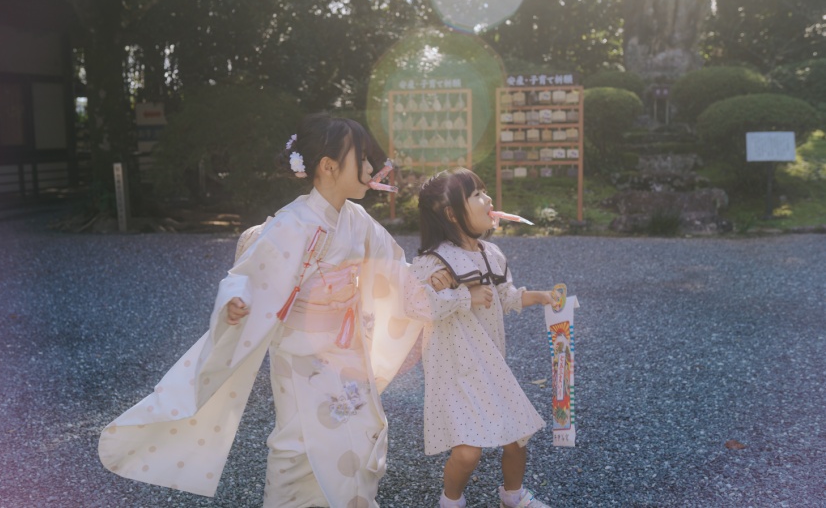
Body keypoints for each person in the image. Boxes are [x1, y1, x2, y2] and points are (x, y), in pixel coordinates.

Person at [99, 113, 445, 507]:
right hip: (301, 356)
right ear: (328, 167)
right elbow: (248, 273)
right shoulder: (292, 223)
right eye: (362, 158)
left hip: (348, 350)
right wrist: (237, 299)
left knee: (359, 431)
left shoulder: (357, 221)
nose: (370, 168)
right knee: (298, 441)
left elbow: (393, 268)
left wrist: (422, 282)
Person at [405, 168, 557, 508]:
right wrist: (463, 297)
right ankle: (451, 501)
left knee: (517, 438)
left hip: (491, 365)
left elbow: (506, 297)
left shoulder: (492, 253)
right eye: (477, 195)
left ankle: (512, 495)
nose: (488, 200)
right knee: (467, 452)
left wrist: (540, 296)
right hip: (455, 371)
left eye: (485, 192)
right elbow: (414, 305)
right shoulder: (434, 261)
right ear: (451, 214)